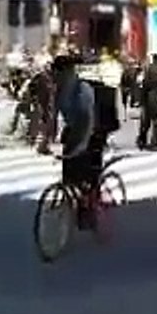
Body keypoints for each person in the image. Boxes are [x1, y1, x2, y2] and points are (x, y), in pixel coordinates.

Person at [52, 55, 103, 227]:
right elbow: (54, 116)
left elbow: (87, 119)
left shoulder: (83, 89)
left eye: (59, 72)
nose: (56, 76)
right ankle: (72, 193)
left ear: (69, 72)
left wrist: (82, 144)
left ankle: (91, 205)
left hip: (94, 130)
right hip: (73, 128)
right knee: (69, 170)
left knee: (86, 171)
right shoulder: (60, 89)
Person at [137, 54, 157, 150]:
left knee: (145, 121)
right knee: (155, 122)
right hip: (156, 98)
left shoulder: (150, 69)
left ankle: (142, 140)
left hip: (149, 98)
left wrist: (141, 99)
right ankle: (154, 142)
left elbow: (145, 84)